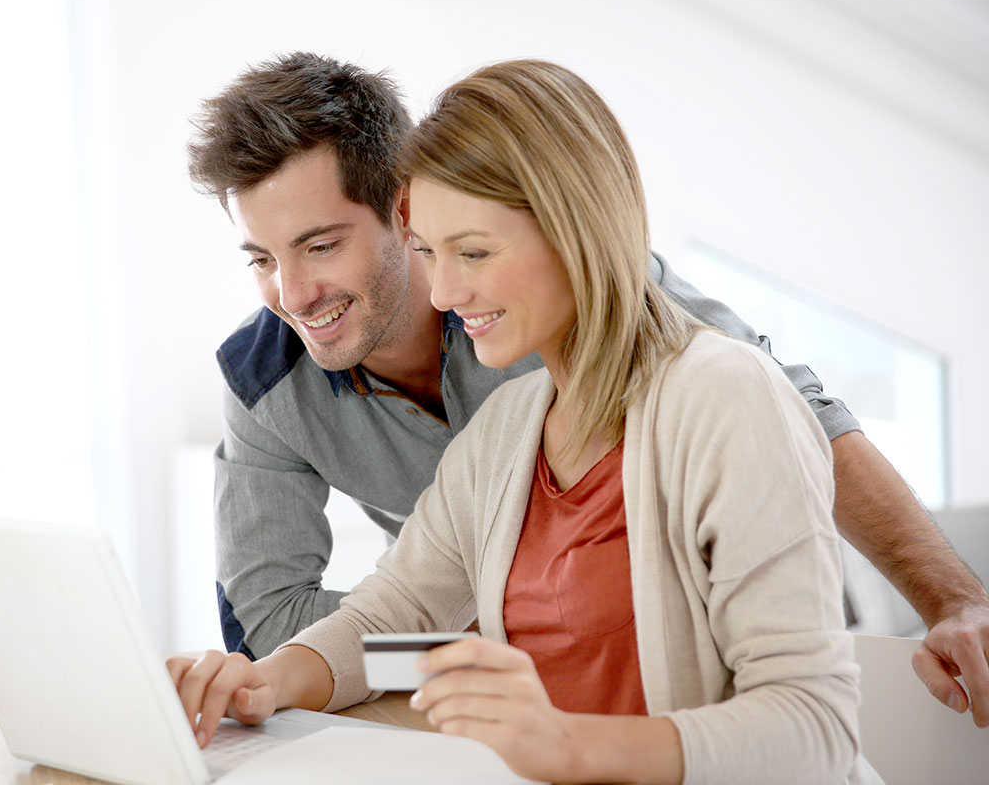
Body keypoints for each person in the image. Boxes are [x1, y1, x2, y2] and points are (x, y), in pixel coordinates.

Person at [187, 52, 989, 725]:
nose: (290, 294)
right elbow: (337, 622)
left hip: (726, 644)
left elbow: (793, 413)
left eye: (320, 245)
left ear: (401, 212)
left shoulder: (580, 295)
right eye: (259, 258)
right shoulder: (300, 393)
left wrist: (949, 597)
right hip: (554, 690)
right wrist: (482, 658)